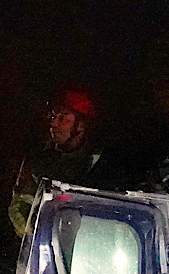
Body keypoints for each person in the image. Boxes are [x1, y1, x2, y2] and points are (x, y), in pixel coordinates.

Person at [8, 84, 101, 238]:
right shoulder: (39, 161)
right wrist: (35, 234)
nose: (54, 123)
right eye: (53, 117)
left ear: (81, 126)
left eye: (63, 118)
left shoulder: (99, 163)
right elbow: (20, 206)